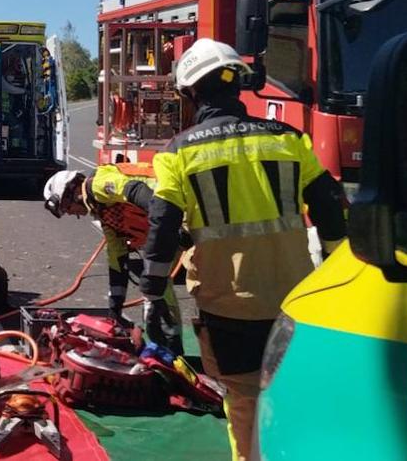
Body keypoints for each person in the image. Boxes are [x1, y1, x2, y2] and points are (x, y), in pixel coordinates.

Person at [140, 39, 347, 461]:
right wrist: (335, 268)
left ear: (191, 93)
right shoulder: (289, 139)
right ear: (237, 85)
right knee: (293, 392)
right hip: (294, 297)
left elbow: (163, 228)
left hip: (228, 304)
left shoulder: (178, 153)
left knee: (243, 401)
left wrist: (152, 292)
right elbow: (329, 204)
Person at [43, 164, 183, 354]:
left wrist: (167, 220)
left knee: (169, 290)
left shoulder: (98, 186)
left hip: (177, 211)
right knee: (158, 291)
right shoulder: (105, 214)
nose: (70, 213)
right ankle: (172, 348)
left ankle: (173, 346)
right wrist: (115, 307)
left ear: (72, 192)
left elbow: (137, 190)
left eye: (66, 208)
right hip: (169, 227)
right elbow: (117, 259)